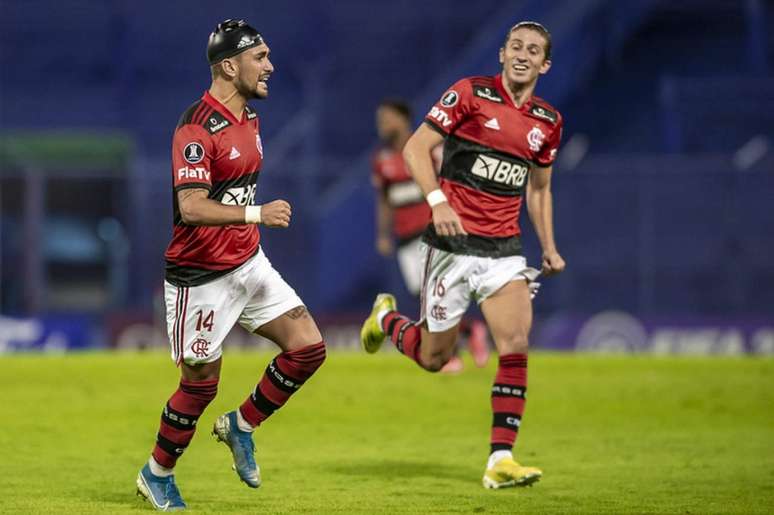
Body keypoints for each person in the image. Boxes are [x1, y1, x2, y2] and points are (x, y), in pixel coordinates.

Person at [360, 21, 565, 489]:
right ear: (502, 53)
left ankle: (500, 460)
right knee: (434, 358)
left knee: (514, 344)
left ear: (544, 64)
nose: (522, 55)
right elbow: (416, 149)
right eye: (516, 46)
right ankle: (386, 318)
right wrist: (438, 202)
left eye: (533, 50)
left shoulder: (547, 122)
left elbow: (539, 189)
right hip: (450, 247)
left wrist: (549, 247)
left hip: (504, 251)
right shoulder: (469, 94)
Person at [136, 19, 326, 511]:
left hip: (247, 261)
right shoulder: (196, 126)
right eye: (259, 57)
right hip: (198, 279)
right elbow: (193, 207)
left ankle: (240, 426)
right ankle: (156, 474)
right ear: (229, 65)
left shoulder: (250, 120)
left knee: (308, 349)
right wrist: (256, 213)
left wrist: (250, 225)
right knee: (200, 387)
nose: (270, 66)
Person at [371, 99, 489, 373]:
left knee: (433, 294)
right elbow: (384, 200)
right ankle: (471, 331)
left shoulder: (429, 151)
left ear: (403, 119)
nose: (383, 126)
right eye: (380, 121)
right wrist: (383, 235)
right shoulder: (381, 160)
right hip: (404, 238)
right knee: (421, 294)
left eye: (387, 119)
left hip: (432, 234)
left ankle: (453, 354)